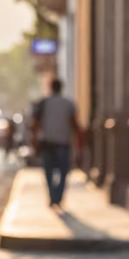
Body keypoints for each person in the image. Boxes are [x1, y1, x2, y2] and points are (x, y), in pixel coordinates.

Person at [32, 78, 82, 209]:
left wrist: (35, 141)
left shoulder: (44, 103)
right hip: (63, 142)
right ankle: (57, 196)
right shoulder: (68, 103)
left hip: (47, 141)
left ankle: (53, 195)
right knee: (63, 172)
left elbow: (36, 124)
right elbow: (75, 124)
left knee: (49, 172)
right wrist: (79, 143)